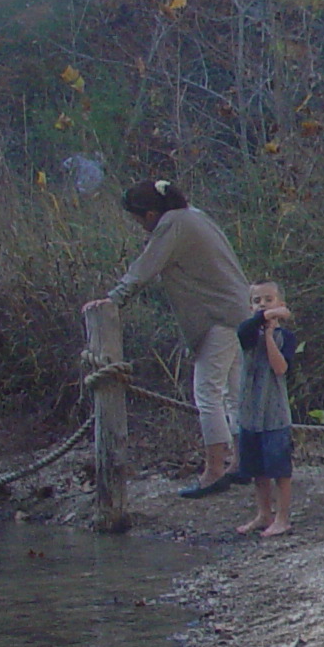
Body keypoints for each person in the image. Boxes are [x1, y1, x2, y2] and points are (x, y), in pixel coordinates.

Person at [84, 180, 251, 498]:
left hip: (218, 317)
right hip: (239, 311)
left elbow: (144, 268)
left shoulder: (172, 223)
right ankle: (241, 463)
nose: (140, 228)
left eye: (138, 220)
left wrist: (112, 300)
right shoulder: (194, 215)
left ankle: (214, 470)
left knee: (208, 394)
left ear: (149, 214)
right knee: (233, 392)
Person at [235, 280, 299, 538]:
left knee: (279, 469)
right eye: (257, 301)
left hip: (275, 413)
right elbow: (245, 330)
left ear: (280, 303)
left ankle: (282, 517)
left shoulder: (288, 338)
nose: (262, 304)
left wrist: (271, 336)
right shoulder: (248, 333)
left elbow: (281, 368)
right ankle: (263, 514)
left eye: (268, 300)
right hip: (250, 411)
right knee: (256, 469)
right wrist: (266, 317)